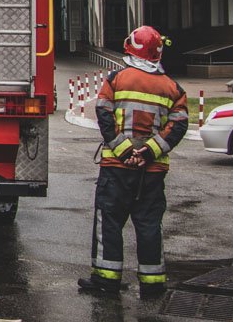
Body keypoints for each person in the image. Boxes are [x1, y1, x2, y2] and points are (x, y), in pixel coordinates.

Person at [79, 25, 188, 298]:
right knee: (150, 223)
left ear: (131, 48)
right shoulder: (173, 88)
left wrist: (126, 152)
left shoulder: (117, 79)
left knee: (110, 222)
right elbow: (178, 126)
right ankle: (153, 284)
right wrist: (148, 152)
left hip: (117, 167)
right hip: (152, 171)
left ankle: (106, 280)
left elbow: (103, 115)